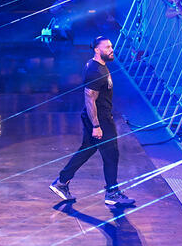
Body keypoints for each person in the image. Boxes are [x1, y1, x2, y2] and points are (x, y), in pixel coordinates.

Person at [50, 36, 135, 207]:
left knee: (87, 150)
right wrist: (96, 125)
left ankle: (61, 182)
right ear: (97, 49)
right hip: (100, 120)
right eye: (107, 47)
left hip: (98, 118)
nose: (112, 49)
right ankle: (111, 193)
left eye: (112, 46)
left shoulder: (99, 66)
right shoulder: (95, 71)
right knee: (111, 154)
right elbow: (89, 99)